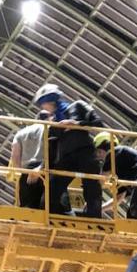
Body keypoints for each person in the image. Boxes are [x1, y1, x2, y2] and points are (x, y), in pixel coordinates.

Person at [31, 83, 103, 218]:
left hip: (85, 153)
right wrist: (42, 167)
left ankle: (94, 220)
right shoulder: (54, 124)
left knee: (92, 188)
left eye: (43, 103)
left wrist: (77, 124)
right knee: (52, 190)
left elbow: (98, 123)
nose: (43, 107)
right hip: (67, 159)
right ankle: (54, 217)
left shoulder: (78, 106)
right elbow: (51, 149)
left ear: (49, 100)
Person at [92, 131, 137, 220]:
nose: (100, 157)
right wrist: (100, 208)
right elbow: (119, 198)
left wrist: (91, 202)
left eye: (99, 152)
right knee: (134, 214)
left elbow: (101, 180)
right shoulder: (124, 170)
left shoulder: (114, 152)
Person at [9, 112, 48, 209]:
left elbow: (15, 155)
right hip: (45, 170)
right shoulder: (50, 129)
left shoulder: (21, 133)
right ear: (48, 119)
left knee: (28, 209)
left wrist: (20, 172)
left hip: (27, 172)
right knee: (49, 206)